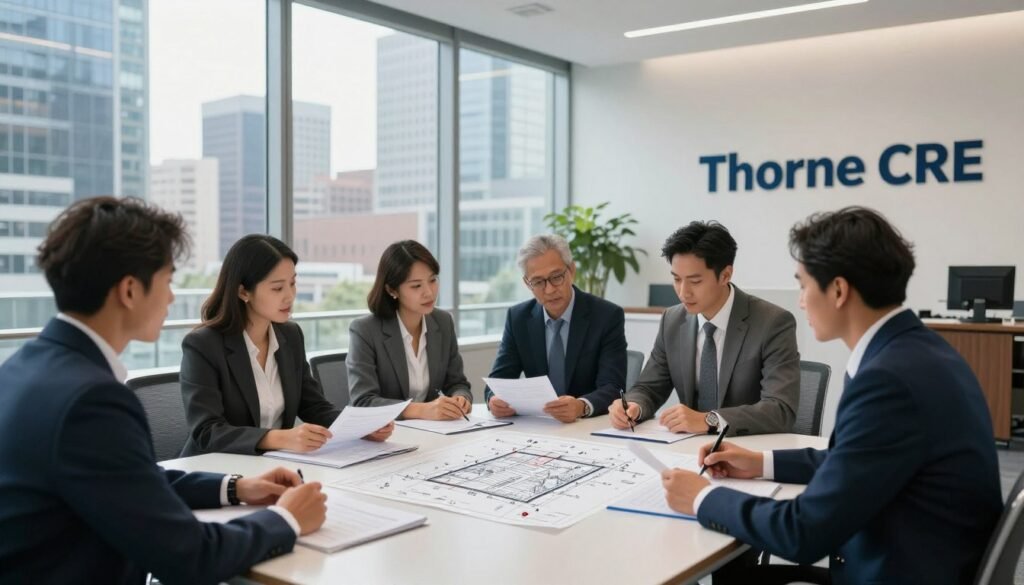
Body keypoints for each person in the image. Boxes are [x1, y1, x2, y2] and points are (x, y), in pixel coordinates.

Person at [661, 207, 1003, 584]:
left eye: (804, 285)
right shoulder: (916, 352)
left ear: (838, 290)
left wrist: (702, 498)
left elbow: (802, 532)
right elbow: (853, 458)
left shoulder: (888, 380)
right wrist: (760, 462)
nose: (801, 301)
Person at [0, 197, 327, 584]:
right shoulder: (92, 400)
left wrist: (237, 487)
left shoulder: (22, 368)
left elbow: (131, 479)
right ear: (129, 290)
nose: (172, 298)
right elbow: (191, 555)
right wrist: (286, 519)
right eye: (168, 281)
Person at [180, 234, 393, 456]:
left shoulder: (290, 335)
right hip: (214, 466)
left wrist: (361, 428)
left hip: (273, 463)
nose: (290, 296)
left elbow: (313, 406)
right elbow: (207, 431)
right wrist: (281, 438)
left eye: (292, 283)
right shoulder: (203, 345)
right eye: (277, 288)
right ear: (243, 292)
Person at [610, 221, 799, 436]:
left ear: (725, 275)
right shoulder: (672, 320)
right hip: (687, 445)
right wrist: (633, 406)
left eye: (695, 281)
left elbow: (780, 409)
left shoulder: (772, 322)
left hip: (746, 445)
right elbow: (648, 388)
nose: (683, 292)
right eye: (676, 279)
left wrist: (709, 420)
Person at [485, 234, 627, 422]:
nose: (550, 290)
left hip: (586, 425)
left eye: (556, 277)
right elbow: (497, 382)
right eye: (538, 282)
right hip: (538, 425)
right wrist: (494, 400)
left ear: (572, 270)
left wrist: (581, 406)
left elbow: (613, 387)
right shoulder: (518, 318)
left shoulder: (607, 316)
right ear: (527, 283)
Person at [347, 240, 473, 420]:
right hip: (387, 432)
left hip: (433, 430)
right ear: (392, 290)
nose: (429, 292)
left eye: (432, 280)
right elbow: (363, 401)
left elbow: (457, 383)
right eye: (416, 286)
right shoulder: (365, 330)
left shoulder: (443, 322)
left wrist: (460, 398)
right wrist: (421, 410)